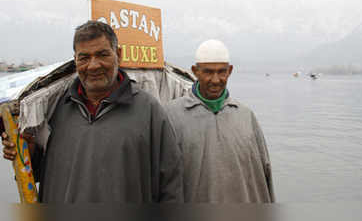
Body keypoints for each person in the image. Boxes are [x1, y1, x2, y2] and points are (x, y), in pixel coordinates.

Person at [1, 21, 183, 203]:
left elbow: (171, 184)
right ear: (75, 61)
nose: (93, 65)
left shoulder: (149, 110)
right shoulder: (55, 107)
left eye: (102, 55)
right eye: (84, 57)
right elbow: (37, 172)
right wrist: (26, 151)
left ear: (118, 54)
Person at [164, 39, 275, 203]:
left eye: (221, 72)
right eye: (208, 72)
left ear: (230, 71)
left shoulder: (246, 117)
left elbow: (265, 175)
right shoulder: (171, 116)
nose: (215, 80)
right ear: (195, 71)